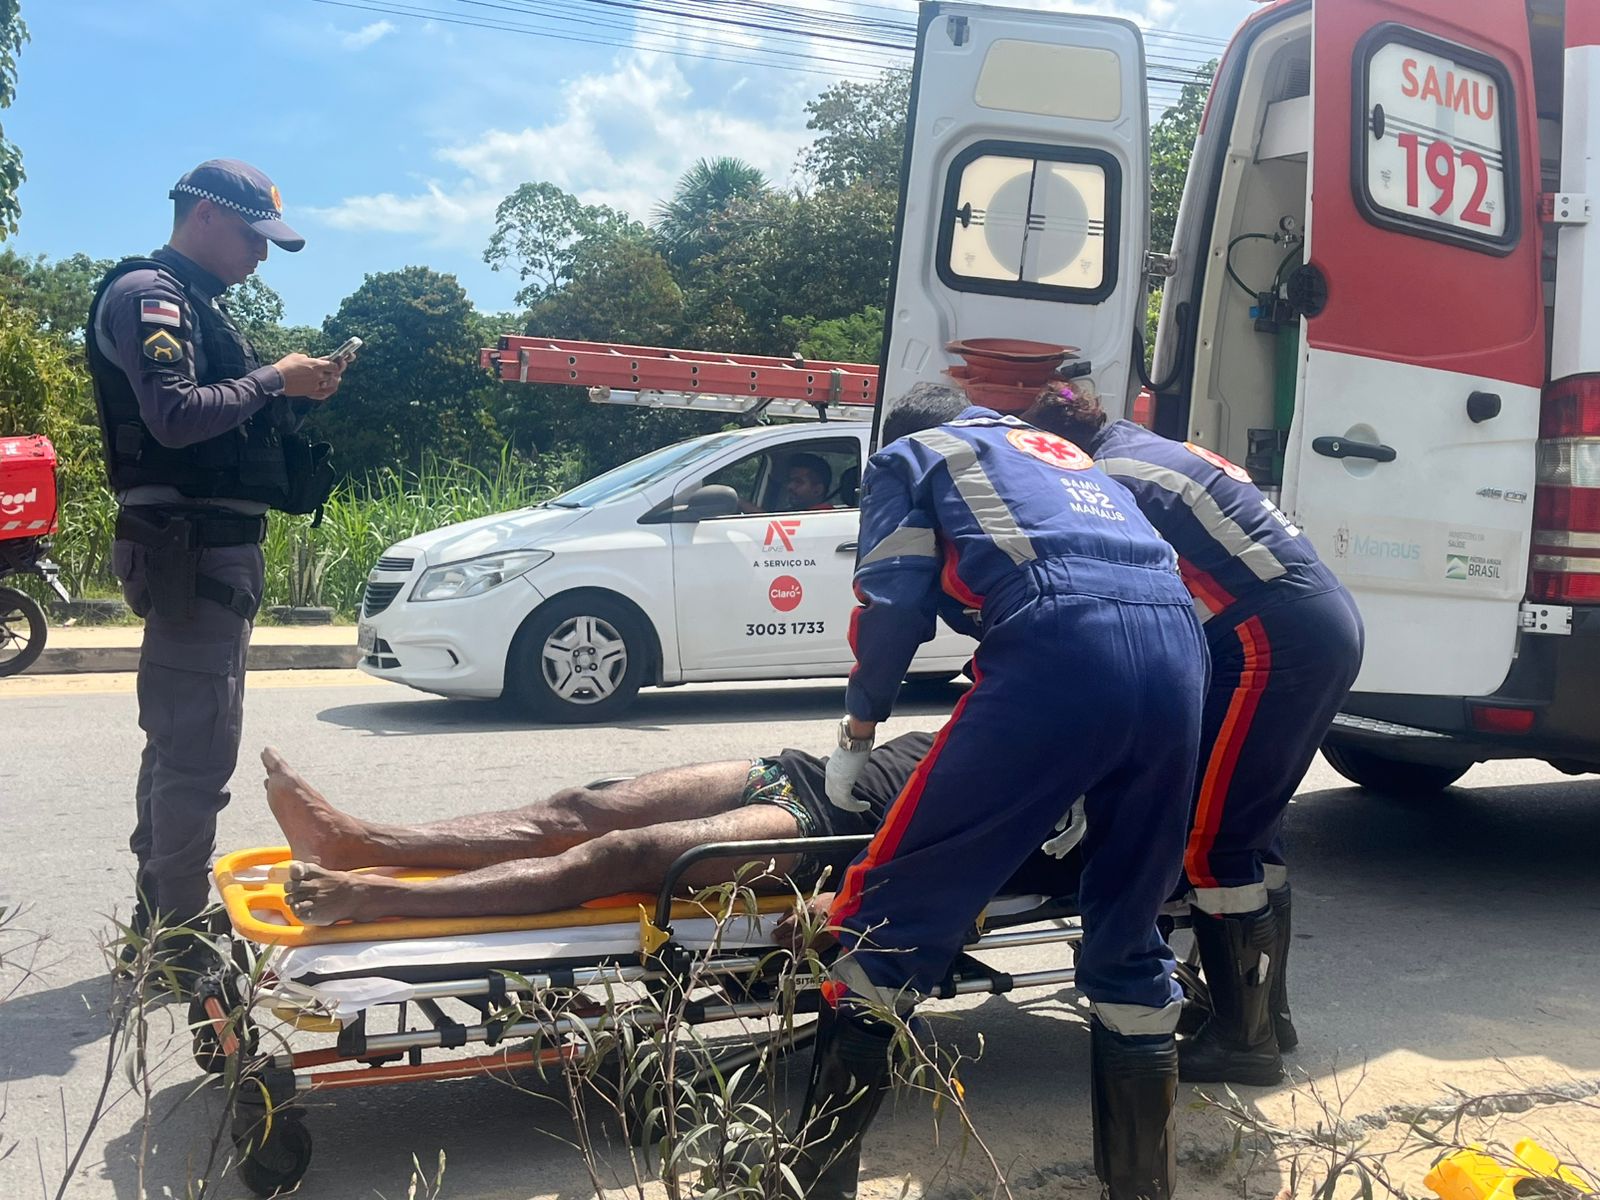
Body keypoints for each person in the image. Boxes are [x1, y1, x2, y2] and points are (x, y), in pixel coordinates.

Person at [800, 383, 1208, 1200]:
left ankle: (807, 1183)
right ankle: (1142, 1189)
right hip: (1181, 653)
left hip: (1060, 644)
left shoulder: (913, 454)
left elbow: (892, 601)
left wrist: (859, 728)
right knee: (1130, 936)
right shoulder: (1061, 455)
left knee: (886, 915)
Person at [1024, 380, 1364, 1085]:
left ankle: (1245, 1043)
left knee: (1214, 842)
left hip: (1269, 638)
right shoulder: (1147, 448)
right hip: (1312, 622)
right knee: (1253, 826)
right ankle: (1268, 1015)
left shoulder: (1104, 479)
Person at [87, 159, 345, 976]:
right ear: (203, 215)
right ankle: (176, 940)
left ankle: (156, 921)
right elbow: (171, 417)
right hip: (189, 548)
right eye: (251, 236)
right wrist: (275, 378)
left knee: (179, 742)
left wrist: (288, 394)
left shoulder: (194, 306)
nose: (261, 257)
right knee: (196, 749)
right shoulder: (150, 298)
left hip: (204, 549)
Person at [268, 733, 943, 924]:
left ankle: (371, 897)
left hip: (820, 831)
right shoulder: (1001, 709)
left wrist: (854, 900)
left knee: (623, 853)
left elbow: (975, 868)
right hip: (796, 771)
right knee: (577, 809)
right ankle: (355, 842)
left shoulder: (1038, 795)